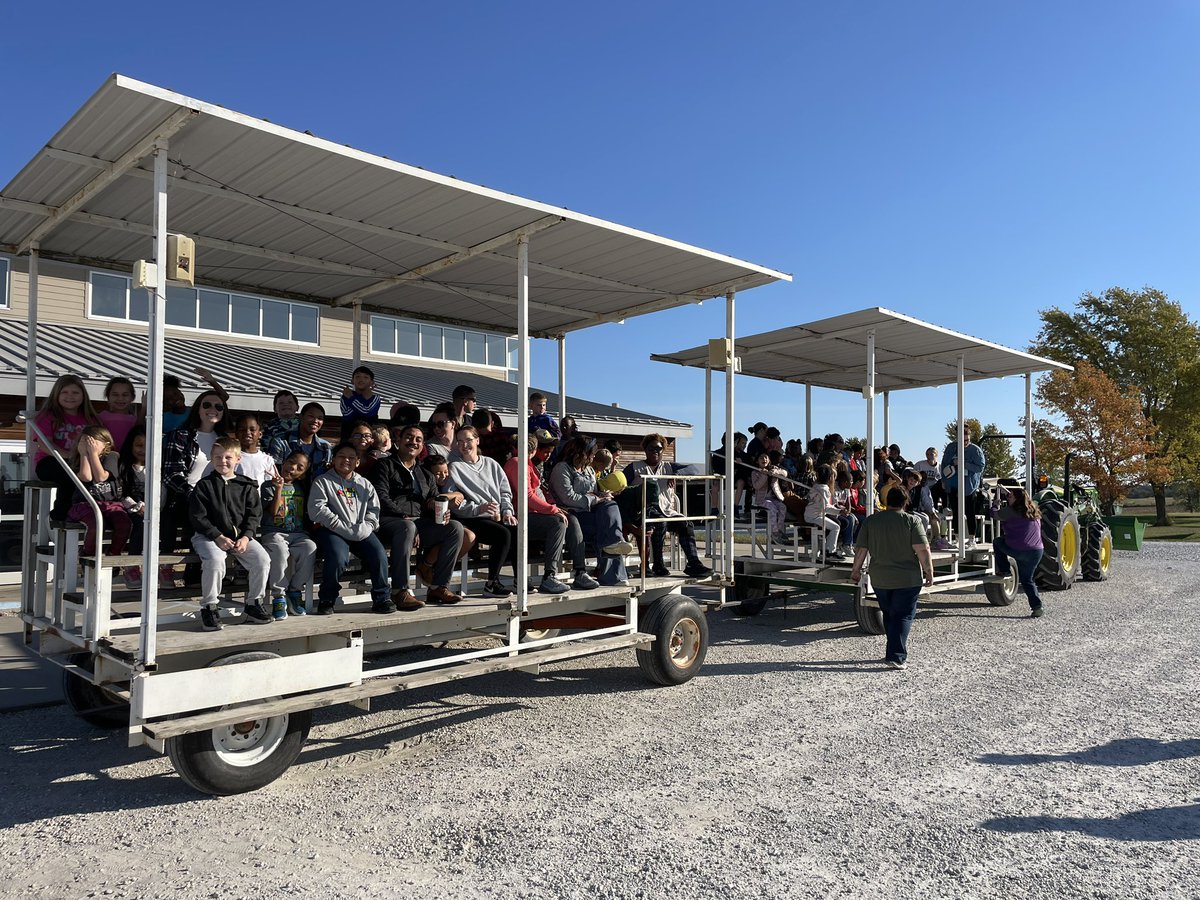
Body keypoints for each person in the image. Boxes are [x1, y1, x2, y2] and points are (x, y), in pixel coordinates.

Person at [369, 424, 465, 608]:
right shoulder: (384, 465)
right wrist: (404, 516)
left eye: (418, 440)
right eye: (409, 437)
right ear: (398, 440)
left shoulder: (425, 474)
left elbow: (431, 501)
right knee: (408, 527)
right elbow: (380, 497)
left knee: (455, 528)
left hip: (418, 523)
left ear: (422, 446)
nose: (413, 442)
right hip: (389, 521)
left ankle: (438, 587)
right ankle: (400, 591)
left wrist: (442, 512)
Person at [188, 436, 273, 631]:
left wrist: (246, 536)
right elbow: (198, 517)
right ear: (211, 458)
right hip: (208, 536)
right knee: (216, 560)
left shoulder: (247, 486)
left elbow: (254, 515)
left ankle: (254, 604)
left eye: (228, 457)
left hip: (239, 538)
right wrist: (216, 536)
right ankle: (209, 607)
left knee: (262, 559)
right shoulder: (204, 485)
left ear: (237, 459)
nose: (222, 461)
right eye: (217, 457)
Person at [849, 487, 935, 670]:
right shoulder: (912, 521)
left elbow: (861, 550)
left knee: (889, 614)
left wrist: (855, 570)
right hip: (907, 579)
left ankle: (891, 651)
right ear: (906, 502)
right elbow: (922, 549)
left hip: (880, 579)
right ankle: (896, 656)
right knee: (903, 615)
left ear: (887, 501)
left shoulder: (871, 521)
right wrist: (929, 571)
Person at [308, 441, 394, 615]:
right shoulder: (323, 481)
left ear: (357, 462)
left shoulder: (364, 484)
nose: (346, 460)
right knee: (338, 557)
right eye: (341, 456)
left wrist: (367, 527)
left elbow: (374, 510)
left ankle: (382, 598)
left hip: (361, 530)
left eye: (351, 458)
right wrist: (341, 527)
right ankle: (327, 599)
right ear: (334, 459)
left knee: (378, 555)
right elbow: (317, 510)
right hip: (332, 530)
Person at [504, 433, 594, 593]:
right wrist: (553, 510)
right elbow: (528, 497)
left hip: (536, 514)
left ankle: (580, 571)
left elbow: (541, 493)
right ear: (533, 449)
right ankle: (549, 576)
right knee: (557, 523)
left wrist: (555, 507)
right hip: (522, 516)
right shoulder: (516, 463)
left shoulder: (528, 464)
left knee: (570, 519)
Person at [161, 389, 233, 588]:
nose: (213, 410)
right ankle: (178, 572)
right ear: (198, 409)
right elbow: (170, 473)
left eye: (219, 406)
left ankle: (214, 572)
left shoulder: (224, 440)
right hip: (185, 497)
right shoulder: (181, 435)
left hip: (216, 500)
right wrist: (194, 494)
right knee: (199, 517)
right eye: (207, 405)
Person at [623, 434, 713, 578]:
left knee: (686, 524)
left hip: (667, 511)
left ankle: (693, 564)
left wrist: (676, 474)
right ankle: (658, 564)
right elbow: (622, 486)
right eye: (651, 448)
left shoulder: (669, 466)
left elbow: (693, 469)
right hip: (643, 512)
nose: (655, 452)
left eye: (658, 449)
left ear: (663, 450)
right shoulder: (634, 468)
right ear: (645, 450)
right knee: (660, 523)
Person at [550, 435, 634, 586]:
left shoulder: (588, 470)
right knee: (606, 530)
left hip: (590, 512)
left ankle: (614, 543)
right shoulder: (561, 469)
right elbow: (568, 497)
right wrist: (595, 498)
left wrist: (603, 495)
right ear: (581, 453)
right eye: (592, 454)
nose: (594, 457)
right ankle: (614, 575)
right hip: (572, 515)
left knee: (611, 505)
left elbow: (594, 492)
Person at [448, 426, 520, 597]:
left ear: (477, 440)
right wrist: (478, 508)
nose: (465, 445)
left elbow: (505, 492)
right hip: (471, 518)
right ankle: (491, 583)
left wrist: (507, 511)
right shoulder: (455, 467)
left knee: (517, 530)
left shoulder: (491, 464)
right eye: (460, 442)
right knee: (503, 534)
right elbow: (453, 501)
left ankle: (520, 580)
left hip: (496, 515)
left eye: (468, 440)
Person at [32, 374, 102, 521]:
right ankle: (60, 516)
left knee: (93, 476)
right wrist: (69, 456)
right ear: (56, 395)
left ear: (83, 395)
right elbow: (44, 444)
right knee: (71, 475)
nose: (70, 396)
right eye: (64, 392)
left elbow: (99, 442)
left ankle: (90, 511)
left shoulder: (91, 418)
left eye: (75, 392)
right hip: (50, 461)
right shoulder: (47, 416)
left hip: (82, 461)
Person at [260, 452, 319, 619]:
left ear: (303, 474)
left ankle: (294, 591)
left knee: (310, 547)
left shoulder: (303, 488)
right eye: (291, 462)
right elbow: (274, 511)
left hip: (298, 534)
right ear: (284, 462)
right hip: (274, 532)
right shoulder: (268, 486)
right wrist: (279, 488)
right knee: (279, 551)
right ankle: (279, 596)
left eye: (299, 468)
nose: (292, 468)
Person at [66, 425, 131, 558]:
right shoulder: (77, 460)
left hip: (110, 504)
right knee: (95, 524)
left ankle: (114, 553)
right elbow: (86, 477)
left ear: (106, 444)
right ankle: (88, 554)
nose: (89, 445)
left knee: (124, 523)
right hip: (85, 505)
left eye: (93, 442)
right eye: (85, 442)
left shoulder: (112, 456)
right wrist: (84, 454)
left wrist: (94, 454)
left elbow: (101, 477)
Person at [991, 485, 1045, 617]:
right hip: (1037, 551)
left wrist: (994, 504)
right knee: (1027, 580)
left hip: (1020, 549)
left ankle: (1004, 570)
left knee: (997, 542)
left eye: (1010, 496)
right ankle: (1037, 608)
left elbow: (994, 515)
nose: (1008, 498)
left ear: (1017, 499)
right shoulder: (1034, 511)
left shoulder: (1010, 511)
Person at [940, 423, 986, 548]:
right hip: (953, 485)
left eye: (967, 440)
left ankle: (972, 539)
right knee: (956, 512)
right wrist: (944, 480)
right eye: (962, 440)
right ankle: (957, 538)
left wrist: (963, 463)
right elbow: (943, 464)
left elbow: (980, 467)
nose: (965, 442)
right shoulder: (951, 448)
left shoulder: (975, 450)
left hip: (969, 486)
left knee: (970, 512)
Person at [117, 425, 148, 588]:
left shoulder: (155, 468)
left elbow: (161, 490)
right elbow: (120, 493)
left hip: (150, 509)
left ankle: (162, 566)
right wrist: (136, 507)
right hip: (129, 509)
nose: (143, 449)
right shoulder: (123, 467)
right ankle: (132, 565)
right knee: (141, 524)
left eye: (146, 445)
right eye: (138, 445)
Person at [268, 402, 332, 477]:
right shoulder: (281, 441)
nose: (315, 421)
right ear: (301, 417)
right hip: (286, 488)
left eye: (320, 418)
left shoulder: (326, 447)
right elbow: (274, 472)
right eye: (311, 416)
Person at [804, 464, 844, 561]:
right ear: (830, 477)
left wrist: (837, 509)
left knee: (833, 526)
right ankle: (830, 552)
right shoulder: (823, 489)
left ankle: (826, 550)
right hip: (814, 517)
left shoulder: (816, 486)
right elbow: (826, 508)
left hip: (813, 515)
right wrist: (840, 511)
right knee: (836, 527)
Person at [751, 451, 789, 544]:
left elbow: (785, 473)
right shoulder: (755, 472)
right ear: (757, 461)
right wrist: (764, 475)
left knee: (782, 507)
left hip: (774, 497)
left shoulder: (773, 468)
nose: (764, 459)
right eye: (761, 458)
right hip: (762, 500)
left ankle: (779, 530)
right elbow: (756, 486)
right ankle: (774, 533)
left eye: (766, 458)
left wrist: (776, 471)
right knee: (773, 508)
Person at [233, 412, 279, 486]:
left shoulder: (267, 460)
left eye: (252, 429)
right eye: (242, 430)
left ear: (260, 434)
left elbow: (270, 485)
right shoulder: (231, 457)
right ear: (236, 433)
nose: (247, 432)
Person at [99, 376, 140, 452]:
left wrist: (144, 408)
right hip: (106, 458)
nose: (120, 398)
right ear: (108, 397)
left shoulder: (134, 420)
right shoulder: (101, 417)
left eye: (125, 395)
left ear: (132, 397)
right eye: (115, 394)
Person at [340, 365, 381, 439]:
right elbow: (347, 414)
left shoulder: (375, 398)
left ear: (372, 382)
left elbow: (366, 411)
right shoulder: (345, 396)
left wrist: (351, 398)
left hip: (368, 439)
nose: (361, 380)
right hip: (349, 437)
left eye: (365, 377)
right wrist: (359, 403)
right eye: (358, 377)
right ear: (352, 380)